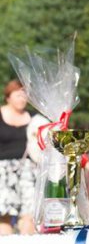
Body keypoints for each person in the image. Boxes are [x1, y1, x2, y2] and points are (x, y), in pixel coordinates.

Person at [0, 79, 37, 235]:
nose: (22, 98)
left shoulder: (35, 118)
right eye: (18, 95)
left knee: (28, 216)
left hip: (28, 171)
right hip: (2, 172)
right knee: (4, 217)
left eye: (24, 95)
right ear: (8, 97)